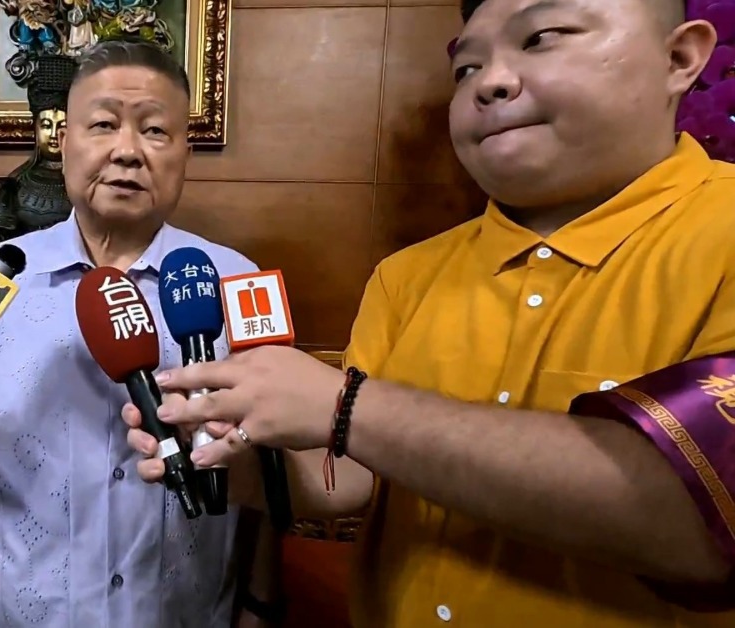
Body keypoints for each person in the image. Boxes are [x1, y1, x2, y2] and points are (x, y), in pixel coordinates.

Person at [126, 0, 735, 626]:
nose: (491, 81)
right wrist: (243, 466)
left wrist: (346, 408)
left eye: (542, 37)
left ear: (679, 57)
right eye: (466, 68)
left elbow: (703, 521)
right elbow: (355, 477)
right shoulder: (407, 276)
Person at [0, 39, 264, 628]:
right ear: (63, 141)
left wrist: (259, 609)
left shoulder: (235, 280)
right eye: (104, 124)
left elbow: (269, 470)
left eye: (155, 131)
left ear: (185, 154)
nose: (128, 151)